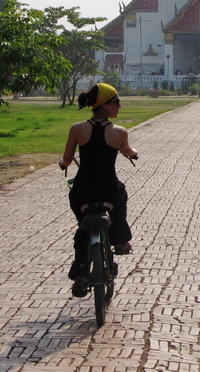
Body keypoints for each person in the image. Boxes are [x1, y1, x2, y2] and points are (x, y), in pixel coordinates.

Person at [59, 83, 138, 297]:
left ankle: (80, 269)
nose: (119, 106)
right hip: (108, 189)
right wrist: (134, 153)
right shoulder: (119, 132)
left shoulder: (77, 129)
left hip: (83, 190)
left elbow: (67, 159)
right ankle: (120, 240)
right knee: (121, 196)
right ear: (104, 106)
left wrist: (64, 164)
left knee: (83, 225)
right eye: (116, 102)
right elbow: (127, 150)